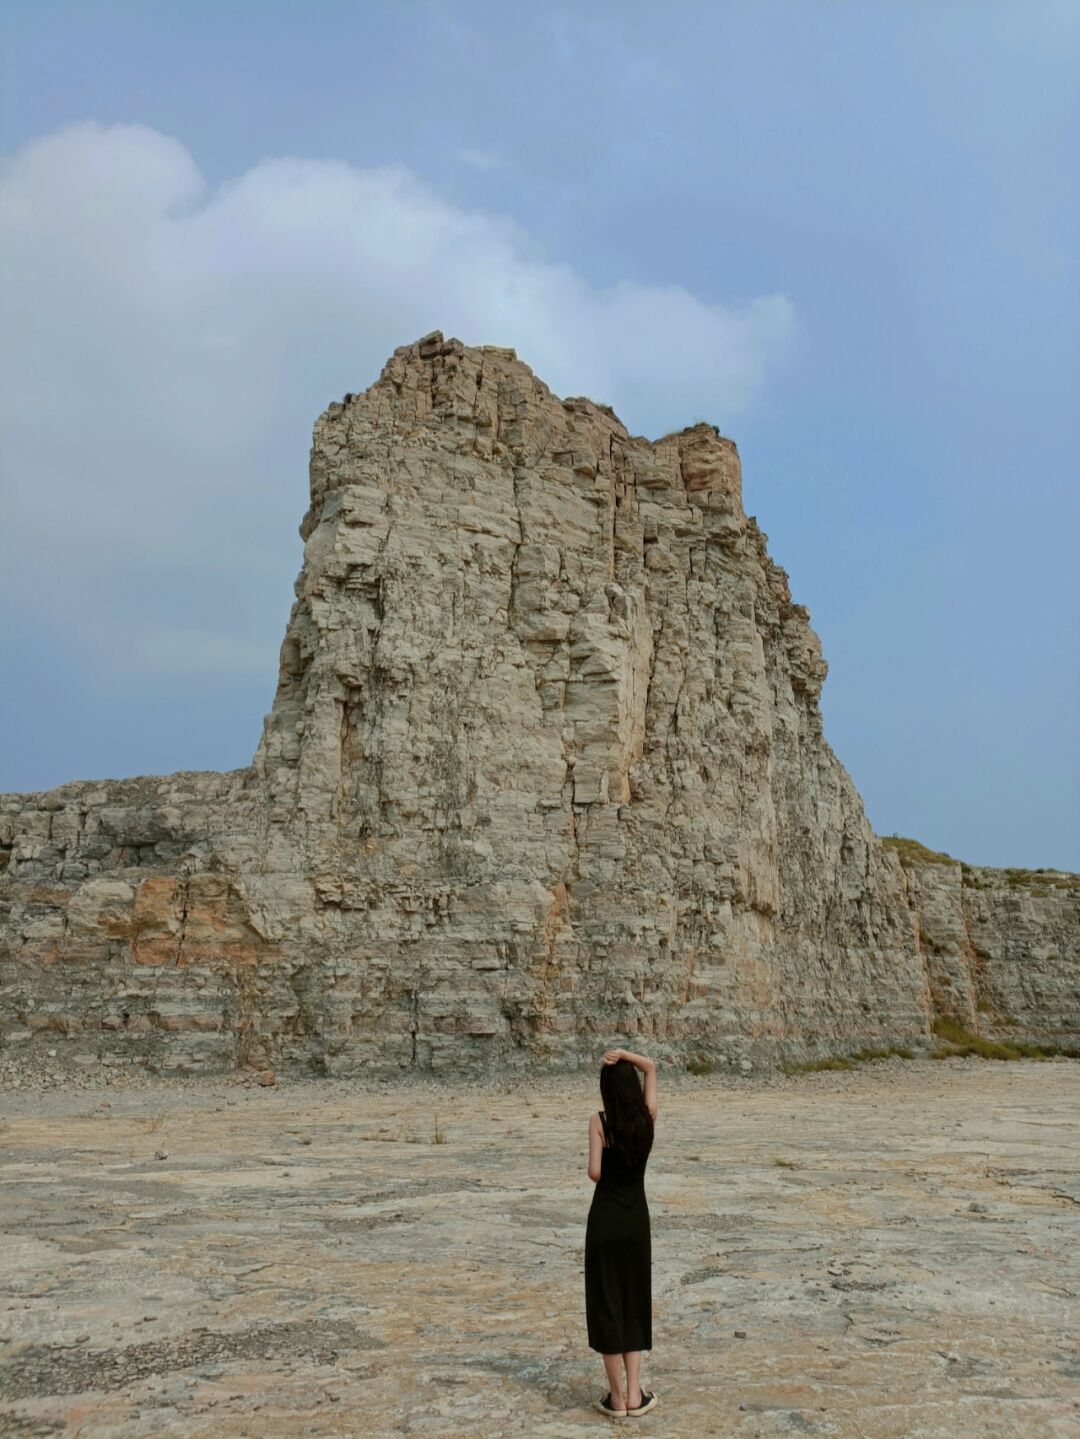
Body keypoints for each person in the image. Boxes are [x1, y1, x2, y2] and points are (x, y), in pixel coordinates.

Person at [584, 1047, 659, 1418]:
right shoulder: (646, 1119)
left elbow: (594, 1173)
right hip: (635, 1223)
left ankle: (614, 1399)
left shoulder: (599, 1121)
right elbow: (652, 1068)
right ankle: (634, 1395)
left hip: (604, 1222)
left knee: (607, 1302)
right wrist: (630, 1056)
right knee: (633, 1301)